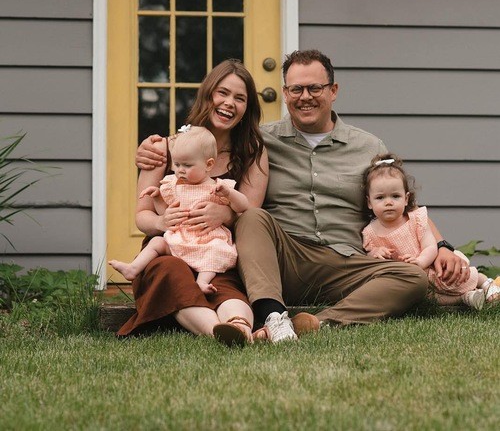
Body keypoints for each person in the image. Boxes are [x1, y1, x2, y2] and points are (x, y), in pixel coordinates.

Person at [138, 49, 468, 343]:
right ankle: (272, 314)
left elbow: (404, 204)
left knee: (412, 277)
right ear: (285, 93)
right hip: (286, 256)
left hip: (346, 259)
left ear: (333, 91)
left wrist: (441, 245)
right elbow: (205, 151)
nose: (305, 97)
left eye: (315, 88)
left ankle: (318, 324)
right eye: (296, 89)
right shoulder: (261, 142)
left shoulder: (368, 146)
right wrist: (155, 149)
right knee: (252, 216)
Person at [118, 59, 269, 346]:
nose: (229, 103)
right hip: (170, 248)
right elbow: (142, 215)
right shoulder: (164, 147)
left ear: (247, 109)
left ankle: (238, 325)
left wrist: (223, 214)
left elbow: (250, 215)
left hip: (215, 249)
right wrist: (161, 221)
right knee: (171, 272)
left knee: (225, 285)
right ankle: (222, 333)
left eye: (240, 98)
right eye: (222, 93)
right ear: (207, 95)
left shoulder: (252, 152)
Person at [109, 125, 250, 295]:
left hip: (206, 241)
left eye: (187, 165)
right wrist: (157, 197)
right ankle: (133, 268)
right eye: (176, 164)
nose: (180, 170)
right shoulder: (173, 186)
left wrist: (230, 194)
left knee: (215, 250)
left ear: (208, 164)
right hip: (179, 239)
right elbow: (165, 212)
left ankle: (202, 281)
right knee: (157, 242)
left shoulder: (218, 187)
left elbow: (243, 206)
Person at [362, 154, 500, 310]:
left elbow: (430, 246)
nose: (388, 202)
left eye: (395, 196)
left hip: (431, 267)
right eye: (380, 198)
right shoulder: (370, 233)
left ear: (406, 199)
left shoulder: (416, 220)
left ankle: (485, 282)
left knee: (460, 276)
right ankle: (466, 298)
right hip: (410, 280)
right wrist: (375, 253)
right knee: (428, 298)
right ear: (369, 202)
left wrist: (420, 262)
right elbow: (369, 258)